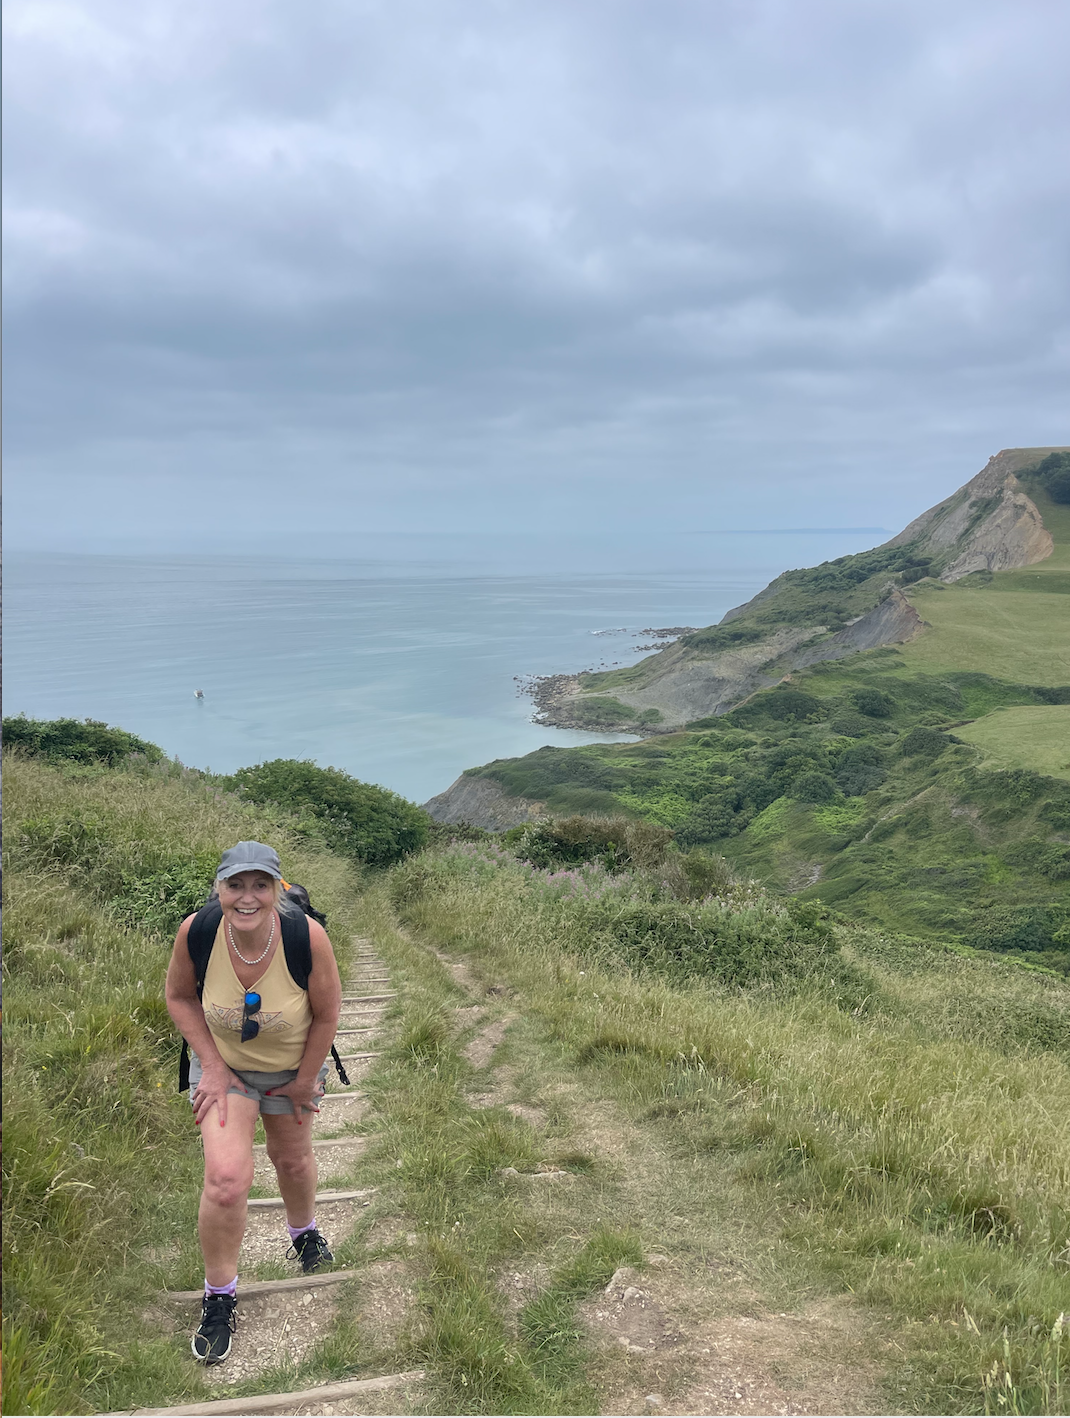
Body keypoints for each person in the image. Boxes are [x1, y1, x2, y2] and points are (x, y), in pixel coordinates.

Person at [165, 841, 342, 1365]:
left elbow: (328, 1014)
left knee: (291, 1159)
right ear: (218, 889)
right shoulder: (197, 931)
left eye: (259, 885)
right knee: (225, 1179)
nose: (247, 897)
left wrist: (307, 1079)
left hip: (292, 1068)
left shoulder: (305, 935)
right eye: (235, 885)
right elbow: (179, 997)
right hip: (227, 1071)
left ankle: (304, 1233)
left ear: (277, 891)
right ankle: (219, 1296)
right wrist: (213, 1068)